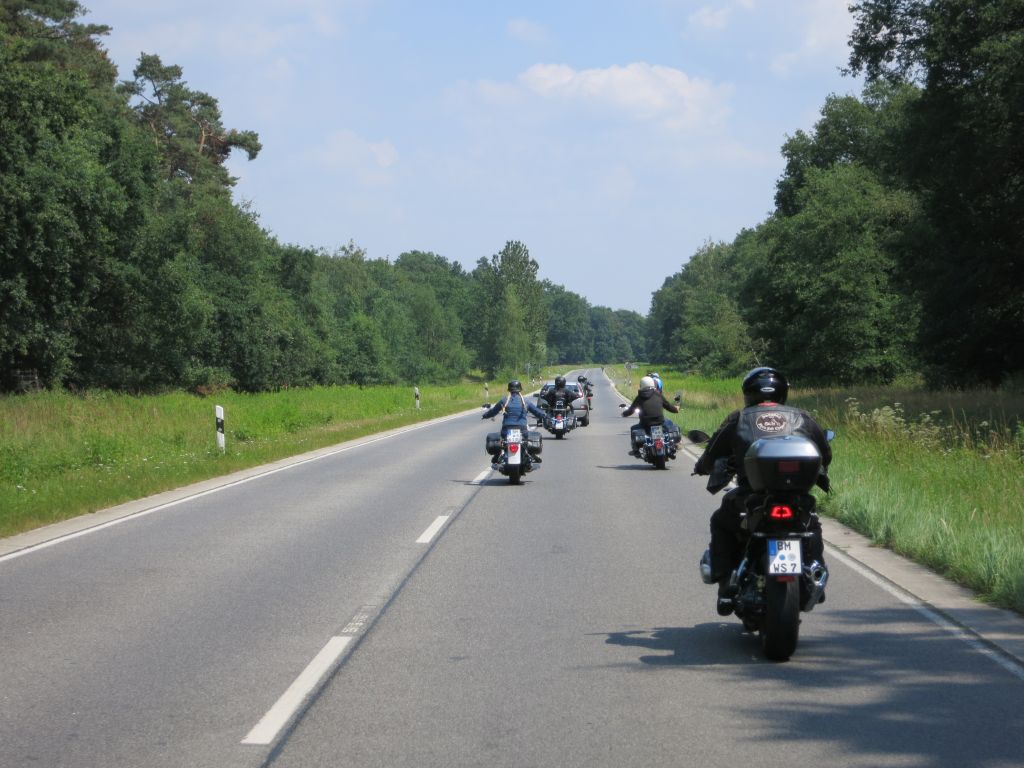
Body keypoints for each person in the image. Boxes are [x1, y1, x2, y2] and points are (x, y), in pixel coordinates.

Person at [693, 366, 832, 616]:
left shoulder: (739, 418)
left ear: (748, 393)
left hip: (752, 498)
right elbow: (825, 453)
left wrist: (703, 466)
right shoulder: (801, 417)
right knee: (811, 525)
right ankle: (815, 572)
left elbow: (713, 453)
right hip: (796, 498)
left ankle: (725, 580)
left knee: (721, 521)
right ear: (782, 392)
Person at [482, 380, 548, 467]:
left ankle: (497, 455)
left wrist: (485, 415)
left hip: (506, 430)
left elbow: (493, 411)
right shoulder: (526, 401)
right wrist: (544, 416)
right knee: (526, 441)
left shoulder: (504, 401)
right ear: (520, 389)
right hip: (522, 430)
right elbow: (537, 412)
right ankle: (531, 455)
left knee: (502, 442)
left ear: (509, 390)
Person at [621, 375, 680, 456]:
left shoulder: (639, 397)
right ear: (653, 384)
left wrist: (624, 414)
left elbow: (631, 410)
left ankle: (636, 450)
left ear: (641, 385)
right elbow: (668, 406)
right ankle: (675, 444)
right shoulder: (658, 394)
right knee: (670, 423)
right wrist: (676, 410)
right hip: (660, 421)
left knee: (633, 428)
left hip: (645, 424)